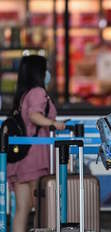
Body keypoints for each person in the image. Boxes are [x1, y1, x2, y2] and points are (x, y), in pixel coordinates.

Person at [7, 55, 65, 232]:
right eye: (45, 68)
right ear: (38, 72)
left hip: (19, 159)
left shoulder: (23, 95)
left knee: (22, 210)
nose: (48, 72)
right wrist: (54, 123)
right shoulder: (38, 93)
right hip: (35, 158)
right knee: (42, 208)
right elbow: (34, 115)